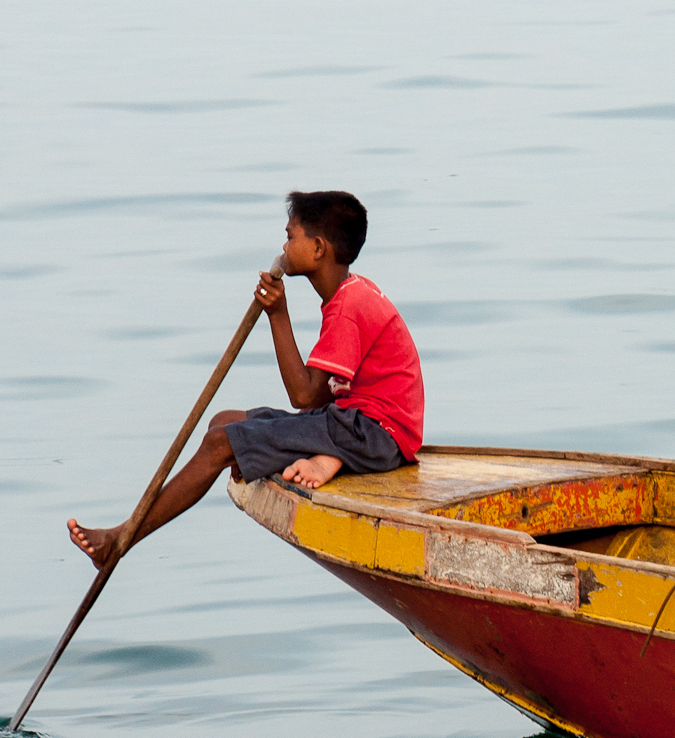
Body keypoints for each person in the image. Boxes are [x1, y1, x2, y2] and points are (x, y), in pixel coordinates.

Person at [68, 190, 424, 568]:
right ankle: (319, 457)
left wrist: (278, 315)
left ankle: (121, 539)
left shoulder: (349, 306)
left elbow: (303, 396)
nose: (284, 247)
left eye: (291, 236)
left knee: (220, 442)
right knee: (224, 422)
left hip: (375, 434)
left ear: (318, 248)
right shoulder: (348, 296)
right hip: (354, 425)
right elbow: (321, 397)